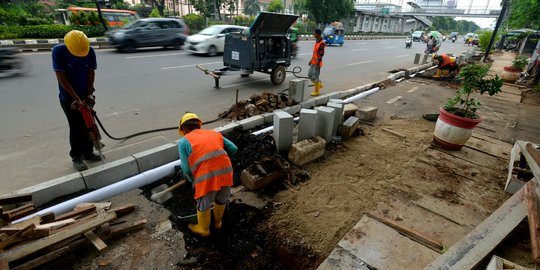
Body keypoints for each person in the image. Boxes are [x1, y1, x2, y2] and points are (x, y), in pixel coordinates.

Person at [177, 113, 238, 237]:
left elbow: (186, 169)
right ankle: (218, 222)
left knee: (204, 204)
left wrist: (192, 179)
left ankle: (203, 229)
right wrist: (221, 161)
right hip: (226, 171)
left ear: (184, 129)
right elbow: (233, 148)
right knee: (221, 199)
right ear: (199, 125)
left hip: (206, 176)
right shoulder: (214, 134)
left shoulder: (184, 142)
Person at [52, 30, 101, 172]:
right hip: (68, 97)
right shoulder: (58, 52)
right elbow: (61, 78)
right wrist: (76, 99)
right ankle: (76, 156)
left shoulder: (89, 51)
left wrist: (88, 94)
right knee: (76, 127)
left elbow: (91, 73)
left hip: (85, 94)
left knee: (88, 124)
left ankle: (88, 152)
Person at [309, 28, 326, 96]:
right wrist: (311, 60)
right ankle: (319, 84)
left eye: (315, 33)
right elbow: (315, 53)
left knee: (315, 77)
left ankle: (317, 91)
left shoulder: (321, 43)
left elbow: (321, 54)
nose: (314, 34)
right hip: (313, 62)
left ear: (318, 34)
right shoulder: (317, 41)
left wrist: (318, 64)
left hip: (317, 63)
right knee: (310, 75)